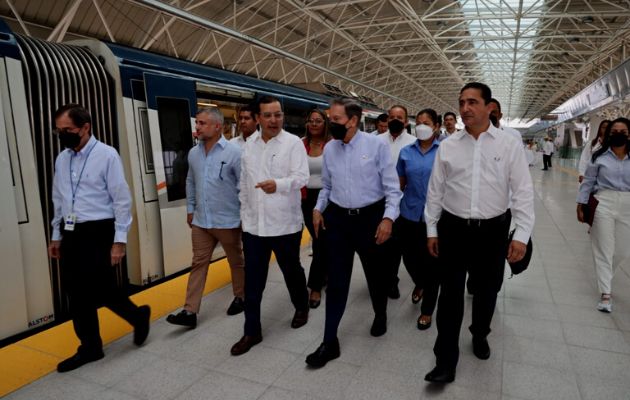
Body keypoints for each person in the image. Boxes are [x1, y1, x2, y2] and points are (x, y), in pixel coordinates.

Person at [423, 83, 534, 383]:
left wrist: (521, 235)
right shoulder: (448, 145)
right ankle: (445, 360)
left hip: (493, 231)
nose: (465, 108)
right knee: (450, 296)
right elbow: (436, 192)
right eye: (461, 102)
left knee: (487, 291)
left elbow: (522, 191)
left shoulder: (508, 144)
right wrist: (432, 228)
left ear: (489, 107)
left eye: (472, 102)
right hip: (454, 228)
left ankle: (480, 332)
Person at [48, 104, 150, 372]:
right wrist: (56, 235)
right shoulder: (62, 158)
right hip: (72, 231)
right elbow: (58, 199)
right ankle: (90, 347)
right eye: (59, 131)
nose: (63, 135)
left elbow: (121, 200)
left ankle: (138, 316)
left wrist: (119, 241)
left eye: (67, 130)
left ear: (85, 127)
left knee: (102, 288)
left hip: (99, 230)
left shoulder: (107, 155)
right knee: (75, 293)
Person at [305, 98, 402, 368]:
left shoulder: (376, 146)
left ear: (353, 120)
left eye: (335, 119)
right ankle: (329, 341)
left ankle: (380, 314)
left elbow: (393, 189)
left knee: (376, 276)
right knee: (336, 281)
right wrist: (318, 208)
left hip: (370, 219)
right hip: (338, 221)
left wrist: (387, 219)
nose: (329, 124)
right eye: (329, 118)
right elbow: (326, 186)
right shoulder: (330, 148)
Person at [231, 95, 310, 356]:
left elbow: (302, 177)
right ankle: (251, 331)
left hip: (285, 224)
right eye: (268, 115)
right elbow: (243, 183)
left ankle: (301, 305)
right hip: (254, 226)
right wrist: (244, 214)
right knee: (253, 280)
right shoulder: (248, 146)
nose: (274, 120)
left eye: (278, 114)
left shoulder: (293, 143)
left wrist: (279, 184)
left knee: (291, 270)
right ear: (257, 118)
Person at [166, 108, 245, 329]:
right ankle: (190, 311)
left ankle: (241, 297)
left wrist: (245, 216)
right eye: (197, 123)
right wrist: (190, 208)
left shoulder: (234, 153)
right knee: (198, 263)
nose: (197, 127)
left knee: (236, 261)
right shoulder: (193, 153)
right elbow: (190, 181)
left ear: (217, 126)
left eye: (202, 123)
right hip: (201, 221)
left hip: (228, 220)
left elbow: (243, 187)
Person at [577, 117, 630, 313]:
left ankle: (606, 276)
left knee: (623, 250)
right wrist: (580, 203)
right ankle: (605, 294)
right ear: (608, 135)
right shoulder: (599, 156)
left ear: (629, 134)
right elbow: (588, 182)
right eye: (614, 131)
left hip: (628, 205)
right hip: (604, 202)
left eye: (623, 131)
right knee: (603, 249)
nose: (618, 134)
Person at [396, 108, 441, 330]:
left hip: (436, 218)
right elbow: (400, 183)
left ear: (436, 127)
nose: (421, 126)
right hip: (409, 214)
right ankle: (420, 283)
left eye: (427, 122)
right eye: (419, 122)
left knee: (432, 263)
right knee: (409, 259)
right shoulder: (405, 152)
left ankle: (427, 310)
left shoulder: (445, 151)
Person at [379, 105, 416, 299]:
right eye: (391, 116)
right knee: (383, 247)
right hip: (380, 203)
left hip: (404, 204)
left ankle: (397, 280)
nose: (395, 120)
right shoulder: (375, 141)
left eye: (399, 117)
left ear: (406, 122)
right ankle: (388, 280)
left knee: (400, 247)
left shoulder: (414, 143)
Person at [301, 109, 332, 309]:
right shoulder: (300, 144)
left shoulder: (332, 145)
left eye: (318, 121)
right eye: (311, 120)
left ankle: (314, 286)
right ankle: (327, 275)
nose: (313, 124)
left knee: (321, 242)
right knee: (320, 240)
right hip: (306, 199)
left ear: (325, 123)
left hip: (328, 198)